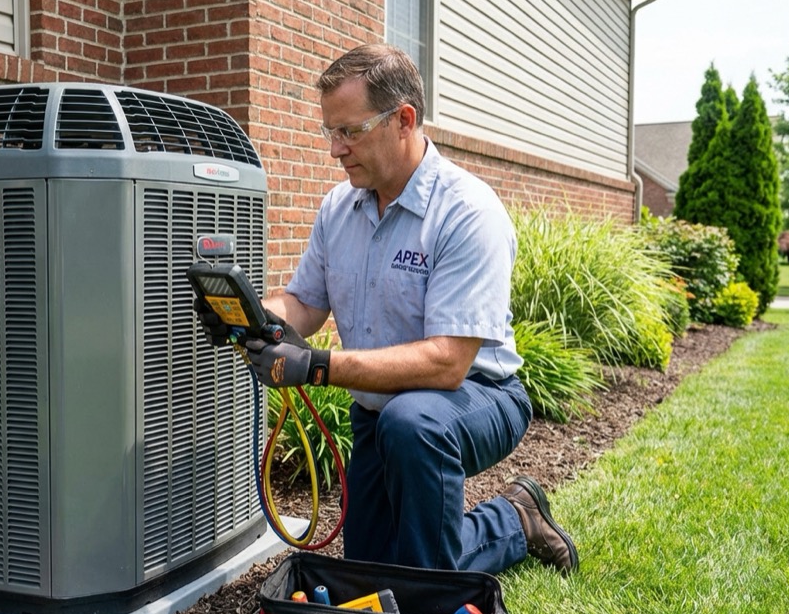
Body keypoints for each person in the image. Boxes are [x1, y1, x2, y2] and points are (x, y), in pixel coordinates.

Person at [196, 43, 578, 575]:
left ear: (404, 120)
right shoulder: (339, 208)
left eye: (349, 131)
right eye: (330, 131)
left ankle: (436, 595)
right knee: (375, 568)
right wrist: (251, 314)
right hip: (382, 413)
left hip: (476, 397)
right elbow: (305, 304)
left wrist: (319, 366)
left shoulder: (466, 212)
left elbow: (447, 363)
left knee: (412, 426)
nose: (334, 149)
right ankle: (516, 519)